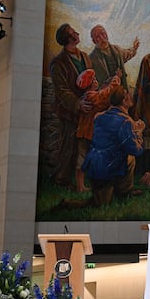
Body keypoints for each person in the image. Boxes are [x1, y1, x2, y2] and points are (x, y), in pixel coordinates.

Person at [81, 86, 145, 205]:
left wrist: (131, 129)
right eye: (128, 95)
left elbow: (108, 137)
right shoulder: (126, 121)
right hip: (108, 168)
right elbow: (136, 150)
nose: (131, 97)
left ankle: (116, 191)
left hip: (94, 165)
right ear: (124, 101)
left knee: (99, 201)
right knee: (131, 158)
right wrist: (138, 134)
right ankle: (125, 191)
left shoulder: (99, 117)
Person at [49, 23, 93, 189]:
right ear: (68, 38)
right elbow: (61, 90)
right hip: (69, 111)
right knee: (68, 145)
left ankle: (80, 182)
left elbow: (89, 78)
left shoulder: (84, 56)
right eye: (73, 32)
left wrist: (93, 85)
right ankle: (62, 180)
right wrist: (77, 104)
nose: (77, 33)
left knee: (82, 147)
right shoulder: (58, 63)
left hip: (86, 110)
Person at [75, 68, 119, 192]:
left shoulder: (92, 94)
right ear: (88, 84)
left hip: (90, 134)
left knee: (89, 159)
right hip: (86, 134)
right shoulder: (90, 95)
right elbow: (103, 96)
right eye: (93, 80)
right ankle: (80, 186)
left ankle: (87, 184)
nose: (96, 81)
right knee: (82, 159)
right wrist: (114, 82)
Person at [88, 24, 140, 90]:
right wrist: (113, 79)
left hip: (122, 90)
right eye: (98, 36)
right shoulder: (92, 59)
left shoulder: (116, 50)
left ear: (107, 35)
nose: (102, 38)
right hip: (105, 95)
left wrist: (134, 48)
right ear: (94, 41)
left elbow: (127, 54)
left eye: (103, 34)